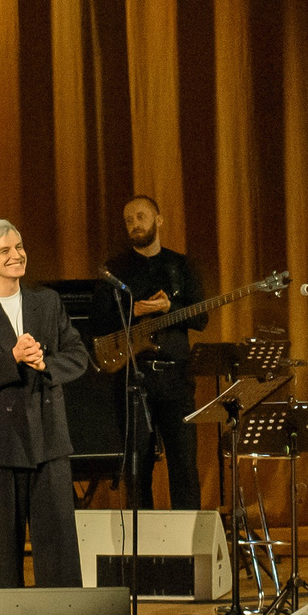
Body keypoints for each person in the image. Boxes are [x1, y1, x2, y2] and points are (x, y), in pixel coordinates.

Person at [0, 218, 91, 588]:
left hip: (48, 442)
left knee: (58, 547)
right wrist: (11, 358)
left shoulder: (47, 301)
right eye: (5, 250)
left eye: (19, 246)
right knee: (4, 551)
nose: (16, 255)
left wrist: (46, 363)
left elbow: (78, 355)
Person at [105, 193, 207, 510]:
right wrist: (131, 311)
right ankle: (144, 553)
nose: (135, 224)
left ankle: (188, 551)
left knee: (184, 468)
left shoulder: (182, 265)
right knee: (138, 470)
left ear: (158, 220)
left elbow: (201, 318)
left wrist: (169, 307)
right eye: (129, 220)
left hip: (176, 379)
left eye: (141, 217)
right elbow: (97, 320)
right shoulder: (115, 269)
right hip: (133, 382)